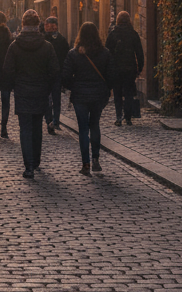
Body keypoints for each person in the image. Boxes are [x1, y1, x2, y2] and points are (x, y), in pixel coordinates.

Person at [2, 9, 59, 178]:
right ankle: (36, 161)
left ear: (23, 24)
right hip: (40, 90)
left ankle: (28, 166)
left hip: (23, 91)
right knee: (37, 128)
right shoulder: (47, 46)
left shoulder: (15, 45)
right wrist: (47, 86)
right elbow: (55, 70)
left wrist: (15, 85)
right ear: (38, 25)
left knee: (25, 129)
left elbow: (7, 70)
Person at [60, 22, 112, 175]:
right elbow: (111, 75)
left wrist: (74, 87)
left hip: (80, 96)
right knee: (94, 125)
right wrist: (106, 89)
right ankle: (96, 159)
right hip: (98, 95)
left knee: (83, 129)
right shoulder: (105, 53)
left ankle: (86, 164)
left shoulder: (74, 54)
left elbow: (65, 77)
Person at [106, 10, 145, 125]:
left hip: (116, 69)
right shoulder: (133, 34)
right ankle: (128, 117)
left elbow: (107, 52)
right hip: (129, 68)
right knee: (128, 93)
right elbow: (139, 53)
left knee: (117, 93)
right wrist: (140, 67)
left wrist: (108, 68)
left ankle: (119, 116)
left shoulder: (113, 34)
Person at [43, 16, 69, 134]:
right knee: (54, 98)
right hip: (54, 74)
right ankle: (53, 120)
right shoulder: (60, 39)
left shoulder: (44, 40)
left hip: (50, 74)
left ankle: (52, 120)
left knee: (51, 98)